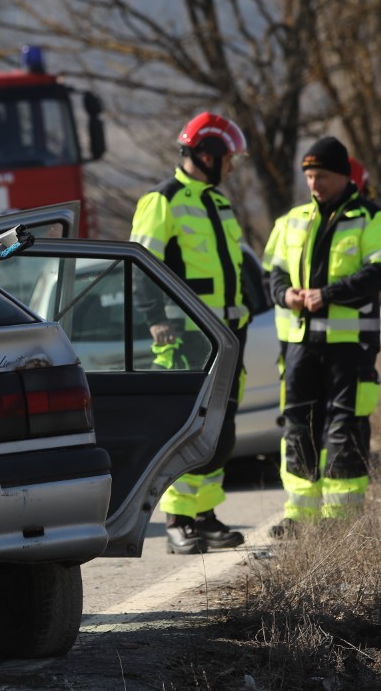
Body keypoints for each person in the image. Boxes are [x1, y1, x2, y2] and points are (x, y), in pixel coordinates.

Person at [130, 112, 250, 554]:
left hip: (229, 333)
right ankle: (178, 521)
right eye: (229, 158)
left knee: (221, 432)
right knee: (188, 429)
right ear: (207, 154)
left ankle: (205, 515)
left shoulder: (218, 203)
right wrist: (155, 320)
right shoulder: (162, 201)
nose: (233, 166)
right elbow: (143, 266)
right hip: (185, 334)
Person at [268, 137, 381, 534]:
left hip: (349, 348)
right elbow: (270, 271)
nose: (313, 184)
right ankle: (300, 515)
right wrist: (286, 294)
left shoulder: (374, 219)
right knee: (298, 424)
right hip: (299, 345)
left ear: (343, 176)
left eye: (321, 175)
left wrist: (328, 295)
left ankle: (340, 522)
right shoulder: (291, 220)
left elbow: (380, 272)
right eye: (308, 175)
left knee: (345, 427)